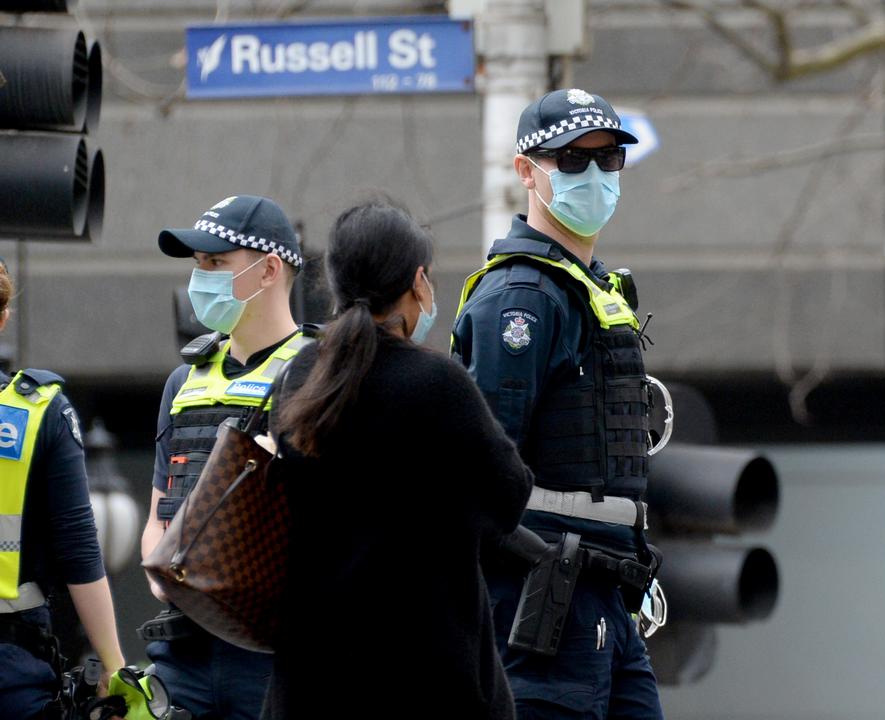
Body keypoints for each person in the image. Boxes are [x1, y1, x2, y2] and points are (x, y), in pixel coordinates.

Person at [261, 199, 533, 719]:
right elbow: (509, 496)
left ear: (337, 284)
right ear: (417, 283)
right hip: (428, 681)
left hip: (312, 685)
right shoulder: (438, 384)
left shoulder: (300, 377)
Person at [452, 88, 664, 719]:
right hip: (540, 604)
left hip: (608, 596)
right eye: (572, 159)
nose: (594, 175)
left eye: (608, 159)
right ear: (526, 170)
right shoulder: (520, 296)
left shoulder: (595, 289)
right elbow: (482, 474)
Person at [140, 195, 311, 720]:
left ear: (269, 269)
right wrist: (162, 572)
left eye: (216, 262)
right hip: (179, 652)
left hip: (269, 655)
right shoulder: (183, 381)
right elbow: (156, 517)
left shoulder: (315, 373)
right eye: (198, 264)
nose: (201, 277)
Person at [0, 259, 127, 719]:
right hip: (12, 669)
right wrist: (113, 664)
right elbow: (79, 550)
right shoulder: (39, 411)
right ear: (3, 317)